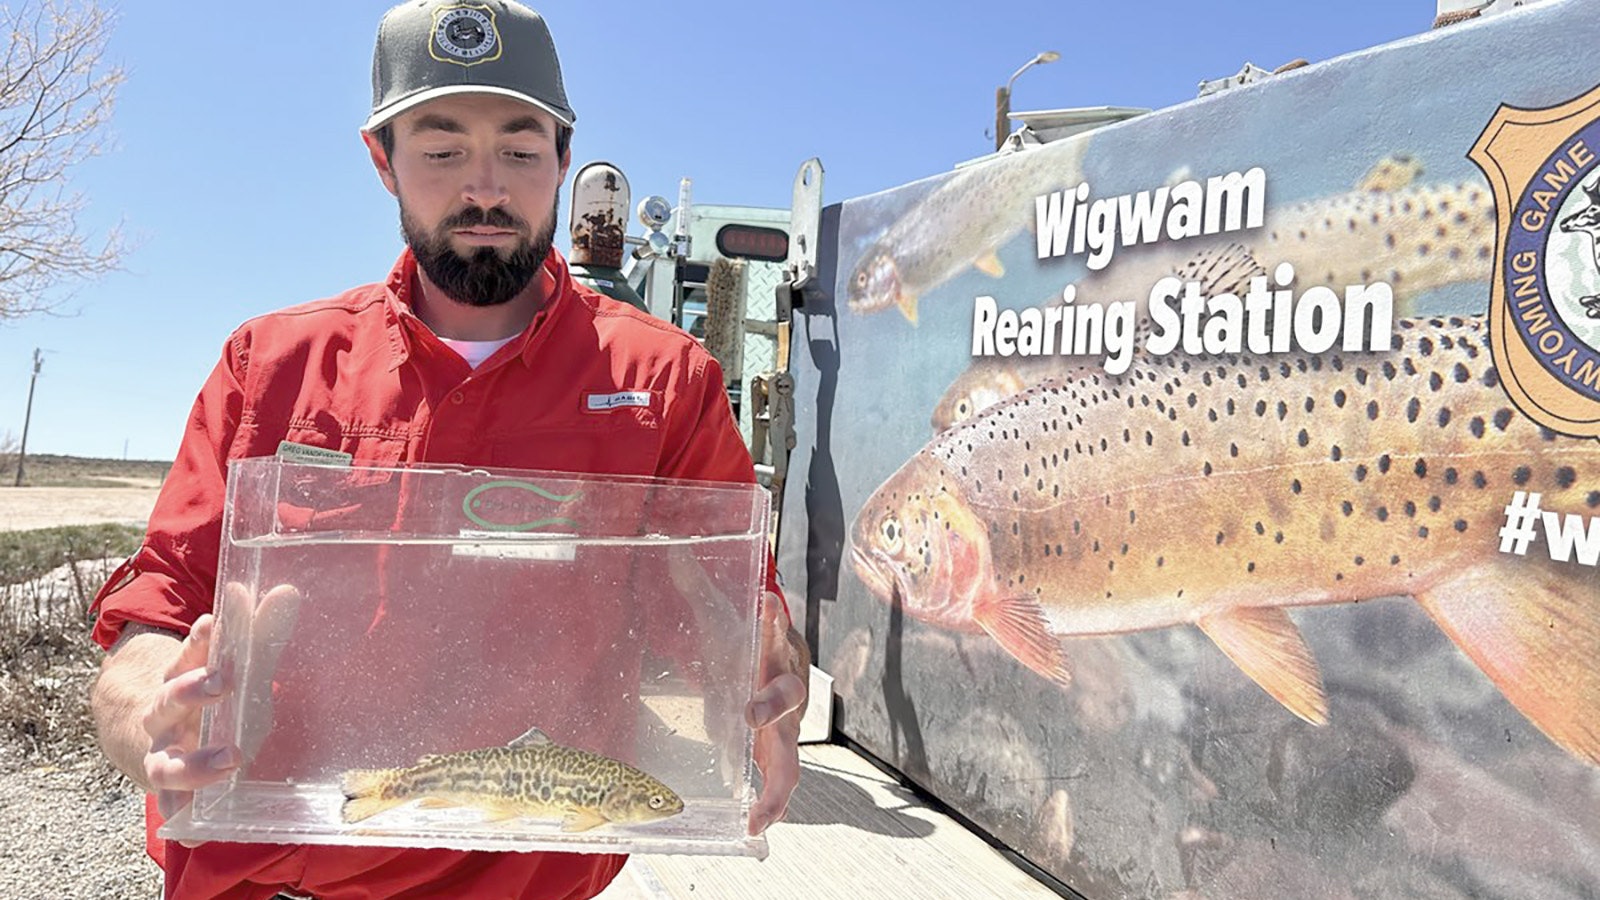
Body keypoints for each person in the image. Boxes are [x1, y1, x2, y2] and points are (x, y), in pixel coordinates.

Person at [86, 2, 809, 898]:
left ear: (563, 158)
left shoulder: (665, 386)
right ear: (382, 159)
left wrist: (764, 686)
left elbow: (738, 627)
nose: (485, 189)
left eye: (520, 150)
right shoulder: (270, 366)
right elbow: (156, 614)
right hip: (264, 880)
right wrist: (153, 711)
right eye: (441, 151)